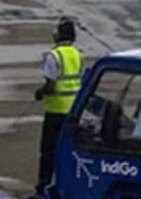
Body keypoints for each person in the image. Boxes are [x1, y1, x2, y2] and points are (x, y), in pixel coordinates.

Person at [35, 18, 82, 191]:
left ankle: (44, 185)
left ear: (60, 34)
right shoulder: (78, 55)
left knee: (48, 151)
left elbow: (51, 85)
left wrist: (40, 93)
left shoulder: (54, 56)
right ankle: (64, 185)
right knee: (66, 151)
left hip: (55, 110)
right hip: (72, 111)